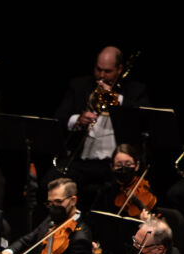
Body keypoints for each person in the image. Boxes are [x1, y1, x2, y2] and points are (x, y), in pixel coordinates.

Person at [53, 46, 150, 208]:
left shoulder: (135, 90)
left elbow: (144, 119)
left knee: (111, 195)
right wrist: (78, 120)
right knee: (52, 183)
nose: (102, 76)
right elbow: (59, 118)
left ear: (119, 69)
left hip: (115, 164)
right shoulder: (79, 85)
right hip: (83, 160)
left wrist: (117, 100)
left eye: (108, 71)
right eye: (98, 70)